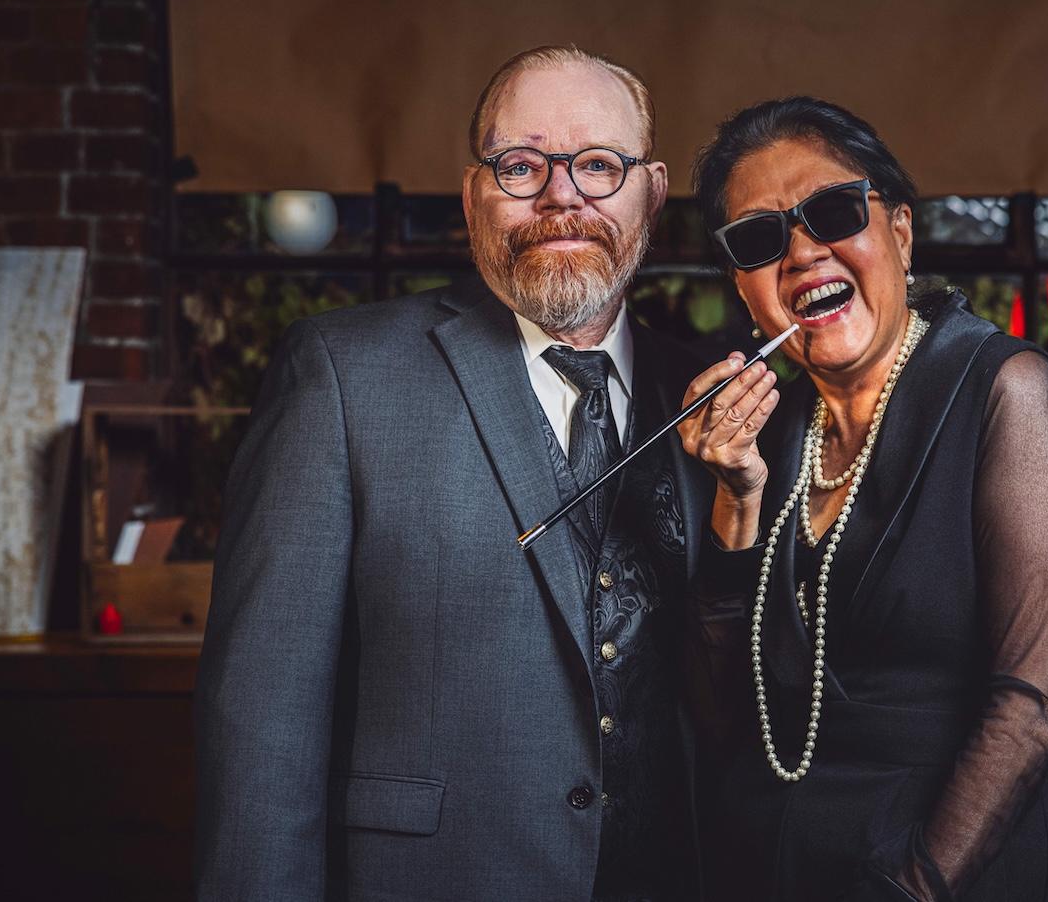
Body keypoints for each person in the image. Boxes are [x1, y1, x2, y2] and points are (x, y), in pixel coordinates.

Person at [195, 45, 711, 901]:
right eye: (521, 166)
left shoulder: (708, 394)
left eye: (598, 165)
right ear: (474, 196)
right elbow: (260, 722)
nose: (562, 195)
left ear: (652, 194)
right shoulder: (342, 375)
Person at [679, 97, 1048, 902]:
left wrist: (908, 888)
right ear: (744, 289)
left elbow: (1038, 705)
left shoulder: (1006, 390)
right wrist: (736, 497)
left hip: (942, 878)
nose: (803, 253)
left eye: (833, 212)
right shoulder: (774, 435)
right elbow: (724, 719)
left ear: (900, 234)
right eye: (761, 240)